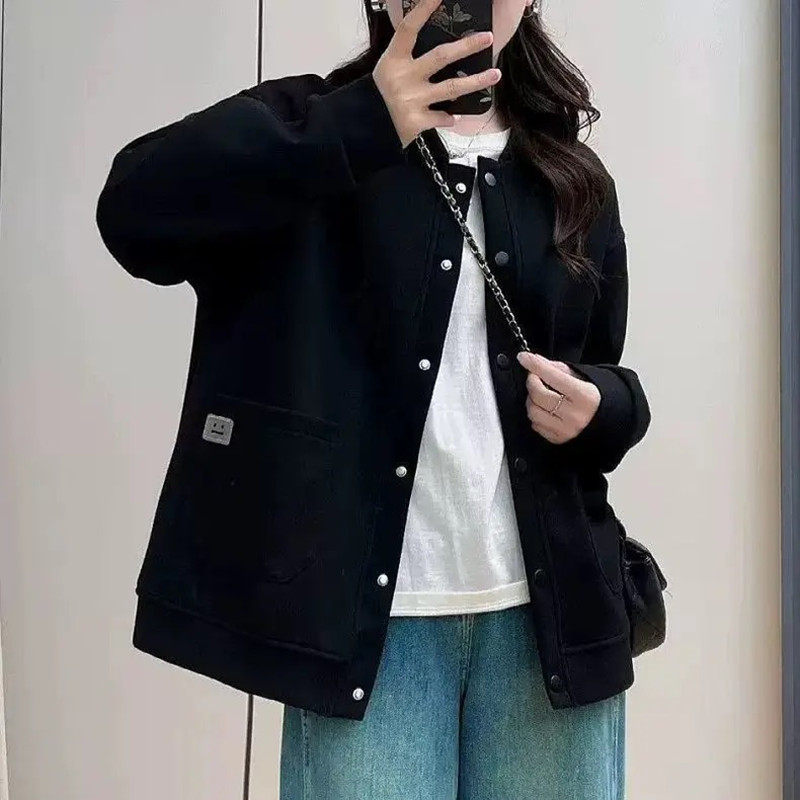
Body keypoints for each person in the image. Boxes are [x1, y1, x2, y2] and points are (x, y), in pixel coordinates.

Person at [95, 0, 651, 797]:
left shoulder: (571, 176)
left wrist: (603, 407)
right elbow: (133, 213)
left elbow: (603, 372)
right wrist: (360, 122)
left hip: (552, 624)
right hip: (372, 637)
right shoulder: (309, 127)